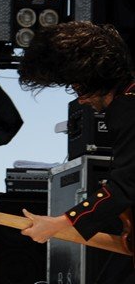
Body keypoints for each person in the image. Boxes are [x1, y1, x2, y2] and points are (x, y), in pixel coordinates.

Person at [18, 21, 135, 283]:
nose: (80, 99)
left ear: (99, 78)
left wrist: (60, 223)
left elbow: (125, 186)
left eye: (81, 88)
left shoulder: (128, 108)